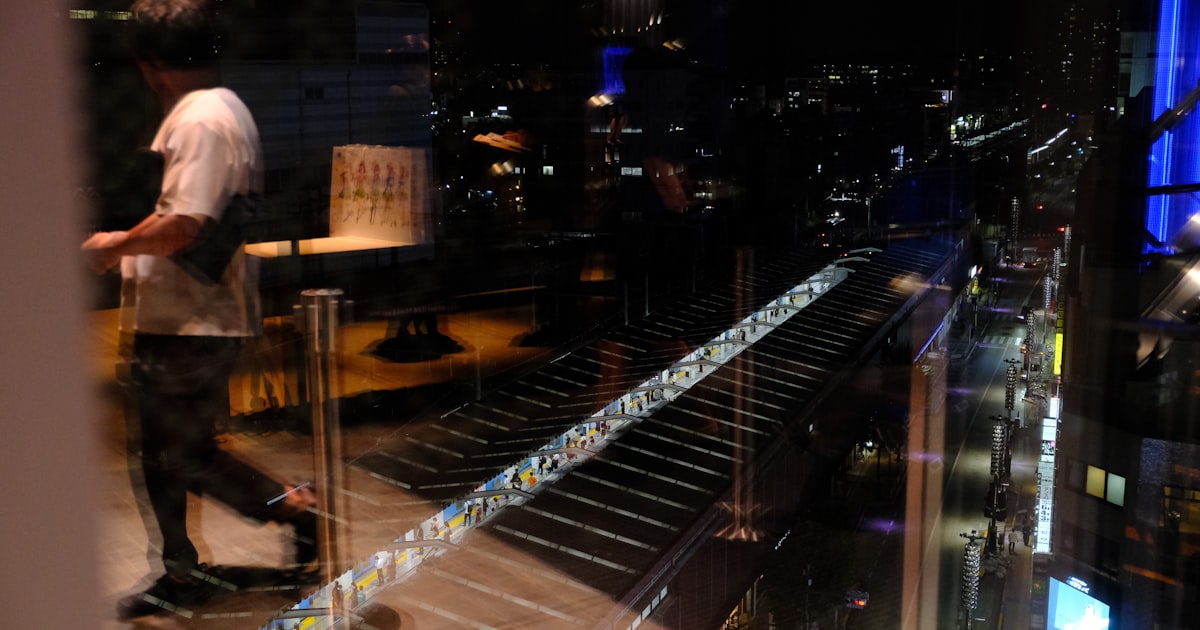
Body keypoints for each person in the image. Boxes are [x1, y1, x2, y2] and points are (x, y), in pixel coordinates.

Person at [81, 0, 317, 619]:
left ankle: (287, 509)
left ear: (150, 62)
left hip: (190, 322)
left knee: (178, 455)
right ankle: (183, 566)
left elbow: (186, 224)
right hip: (185, 319)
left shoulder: (201, 120)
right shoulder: (217, 108)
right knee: (168, 455)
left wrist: (112, 246)